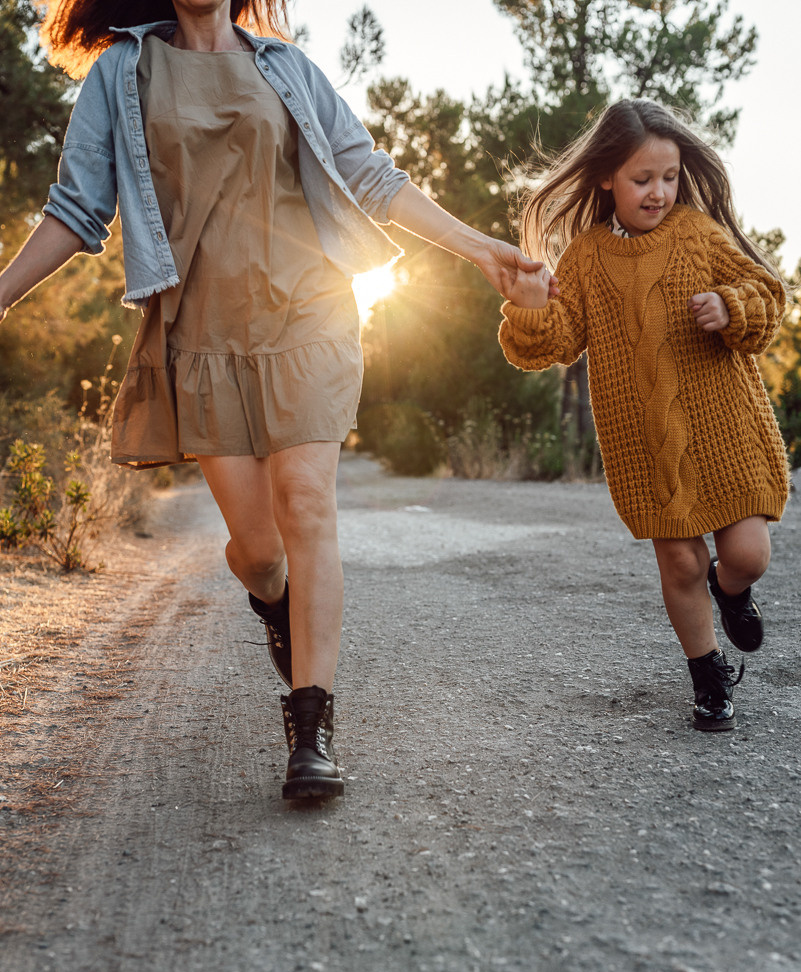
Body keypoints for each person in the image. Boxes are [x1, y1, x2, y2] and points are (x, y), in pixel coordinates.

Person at [0, 0, 537, 801]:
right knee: (256, 552)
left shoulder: (285, 67)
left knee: (305, 503)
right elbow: (78, 209)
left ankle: (310, 729)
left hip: (309, 311)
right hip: (201, 332)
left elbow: (371, 175)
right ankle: (279, 602)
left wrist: (479, 248)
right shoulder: (123, 72)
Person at [497, 99, 789, 732]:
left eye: (670, 176)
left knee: (748, 556)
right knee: (681, 563)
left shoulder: (697, 233)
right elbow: (555, 342)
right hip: (645, 441)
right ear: (607, 177)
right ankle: (708, 676)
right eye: (643, 179)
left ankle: (731, 590)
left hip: (725, 429)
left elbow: (769, 293)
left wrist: (730, 306)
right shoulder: (585, 258)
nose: (659, 191)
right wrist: (530, 308)